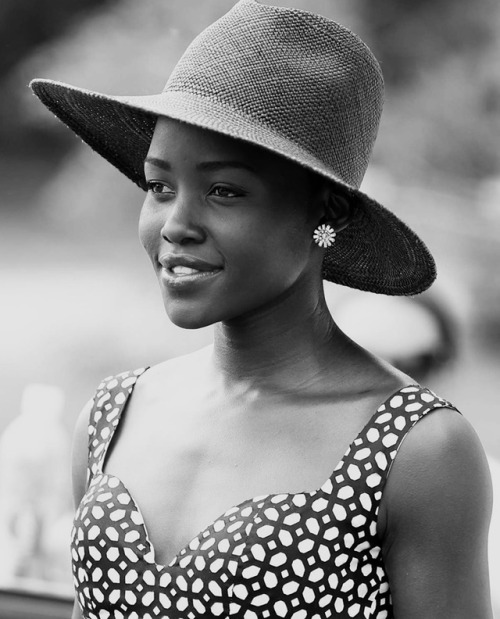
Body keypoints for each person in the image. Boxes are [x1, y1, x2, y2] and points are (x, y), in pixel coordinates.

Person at [30, 1, 493, 617]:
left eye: (224, 191)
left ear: (326, 211)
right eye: (159, 186)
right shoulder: (111, 416)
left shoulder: (419, 452)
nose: (176, 225)